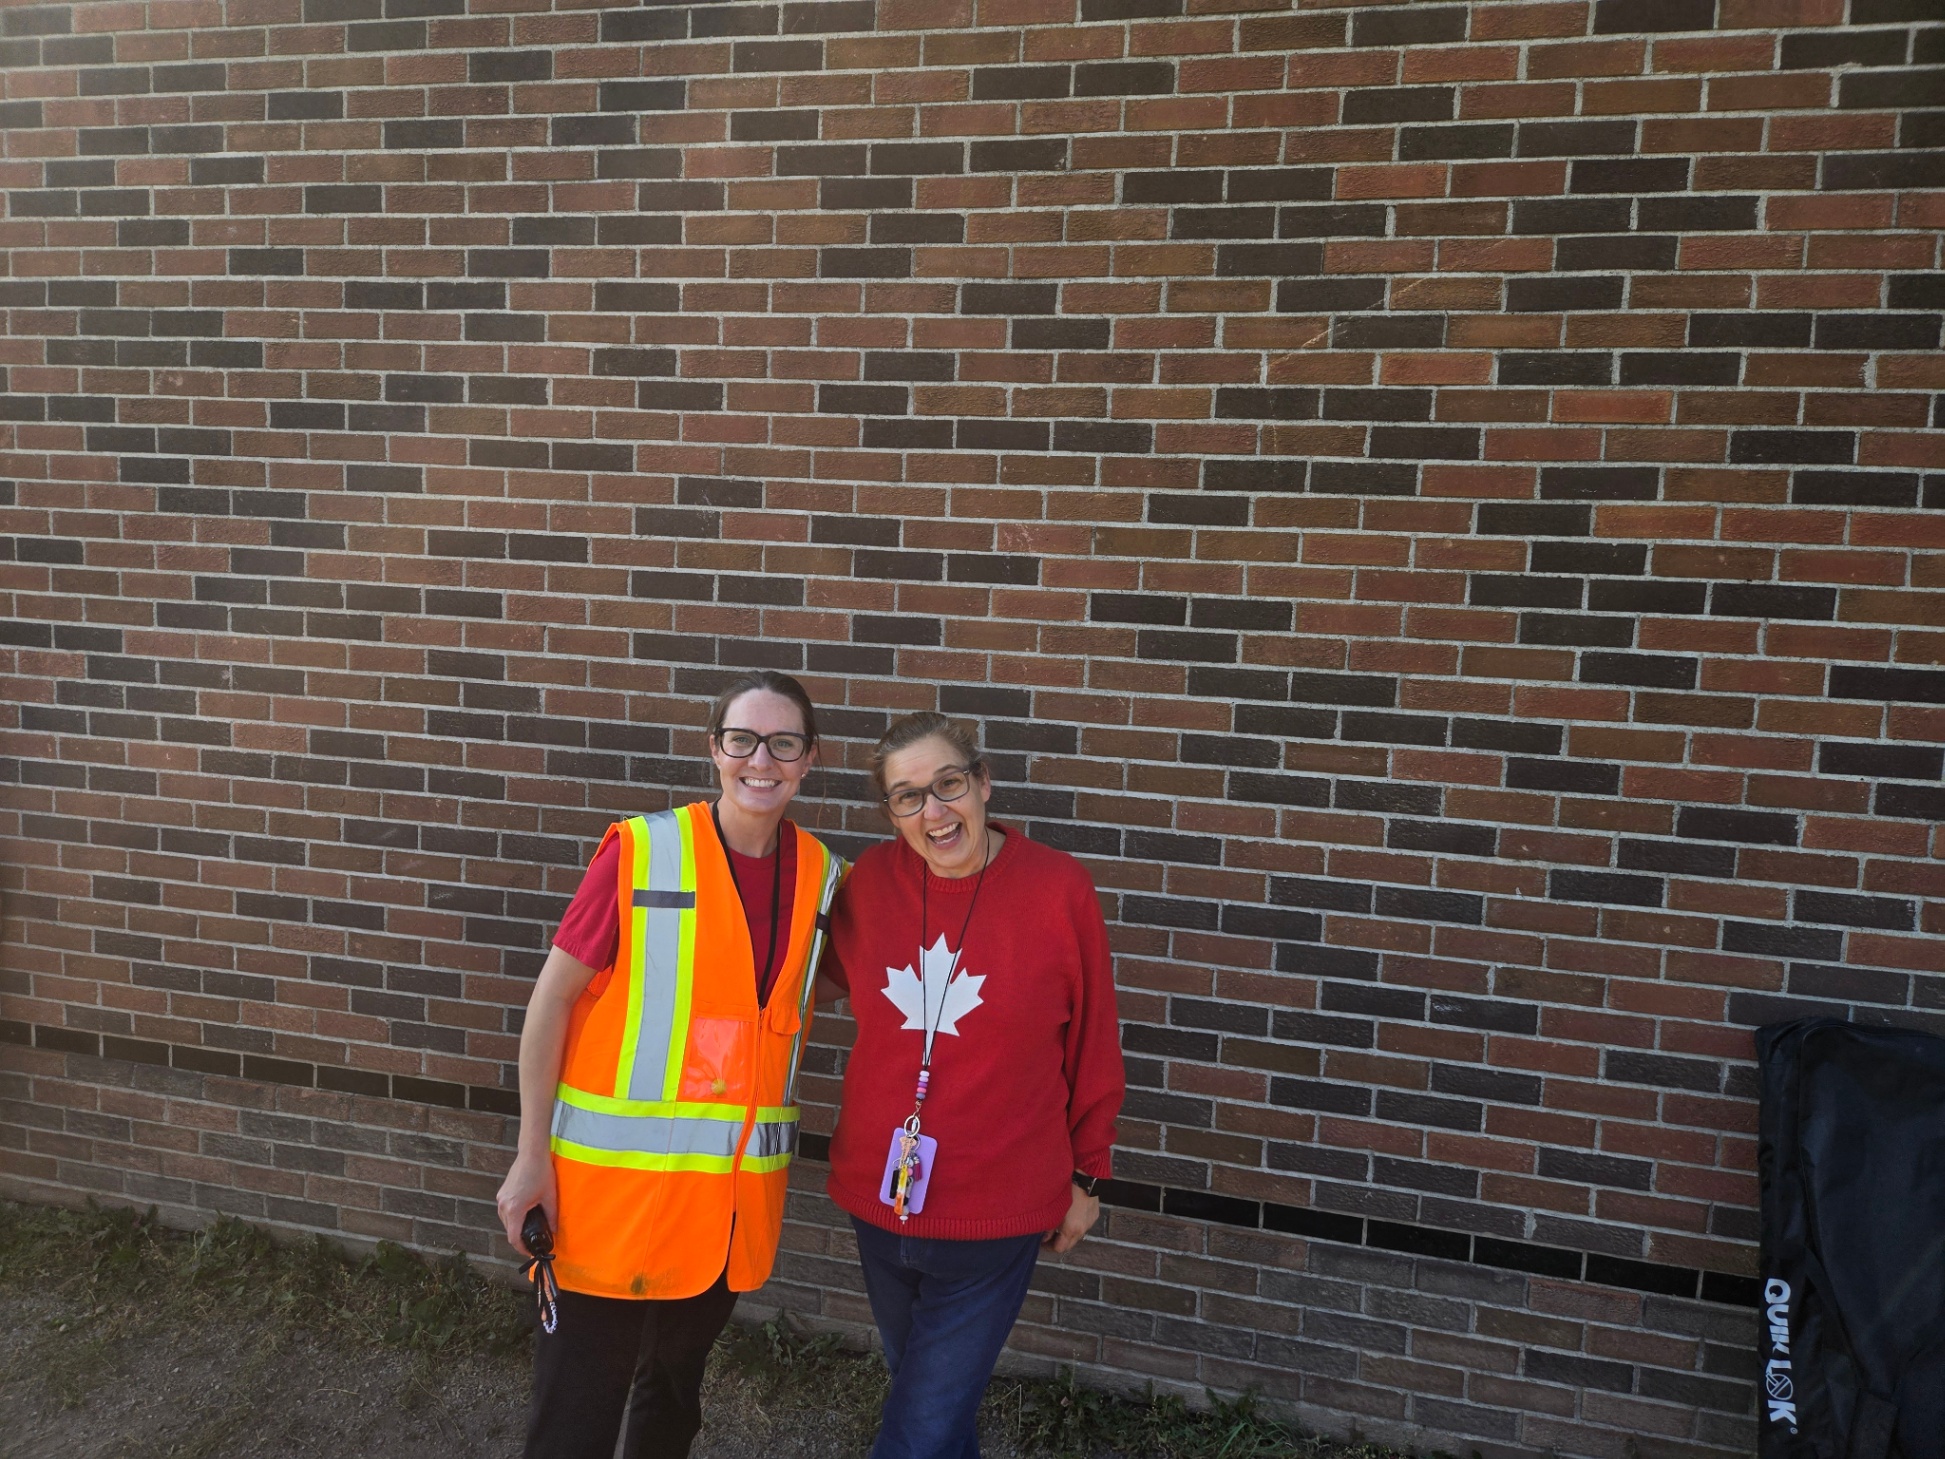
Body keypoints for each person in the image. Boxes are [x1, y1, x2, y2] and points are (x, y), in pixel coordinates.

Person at [494, 669, 844, 1459]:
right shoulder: (644, 850)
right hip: (611, 1203)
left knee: (671, 1403)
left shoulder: (823, 876)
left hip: (724, 1219)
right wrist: (527, 1160)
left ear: (809, 757)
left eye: (783, 741)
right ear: (713, 750)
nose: (762, 758)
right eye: (742, 739)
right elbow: (549, 1003)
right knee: (575, 1415)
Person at [819, 711, 1126, 1459]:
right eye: (906, 796)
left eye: (947, 783)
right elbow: (786, 987)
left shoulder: (1058, 889)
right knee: (928, 1398)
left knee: (918, 1427)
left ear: (983, 782)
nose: (933, 811)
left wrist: (1089, 1172)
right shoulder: (866, 887)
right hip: (880, 1195)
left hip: (999, 1206)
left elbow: (1093, 1041)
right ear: (889, 812)